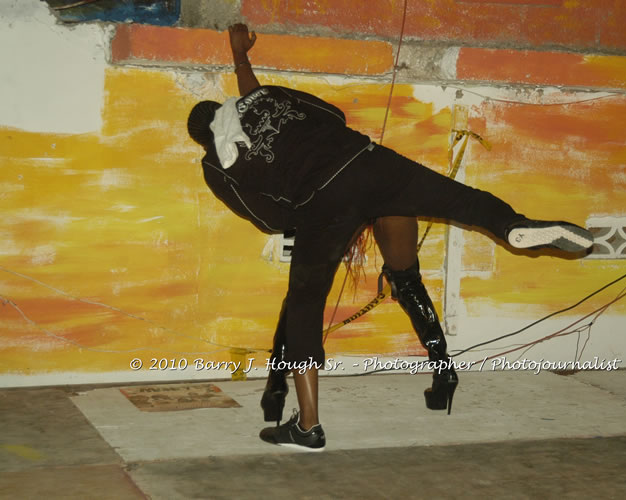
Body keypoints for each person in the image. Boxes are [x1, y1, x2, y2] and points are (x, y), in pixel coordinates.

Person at [187, 24, 594, 452]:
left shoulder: (215, 163)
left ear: (203, 139)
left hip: (322, 201)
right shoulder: (266, 98)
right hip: (367, 160)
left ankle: (307, 426)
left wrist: (305, 211)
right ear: (227, 108)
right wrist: (240, 56)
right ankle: (512, 225)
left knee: (304, 307)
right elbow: (331, 115)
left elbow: (267, 219)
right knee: (460, 200)